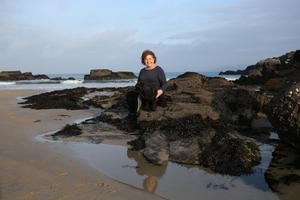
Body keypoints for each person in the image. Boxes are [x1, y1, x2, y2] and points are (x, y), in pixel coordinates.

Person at [127, 50, 167, 115]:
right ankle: (135, 109)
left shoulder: (159, 70)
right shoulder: (142, 71)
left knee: (150, 106)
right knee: (130, 93)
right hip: (144, 94)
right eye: (146, 59)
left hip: (155, 94)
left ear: (154, 59)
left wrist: (161, 91)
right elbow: (138, 84)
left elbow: (165, 84)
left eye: (150, 58)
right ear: (143, 61)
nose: (148, 61)